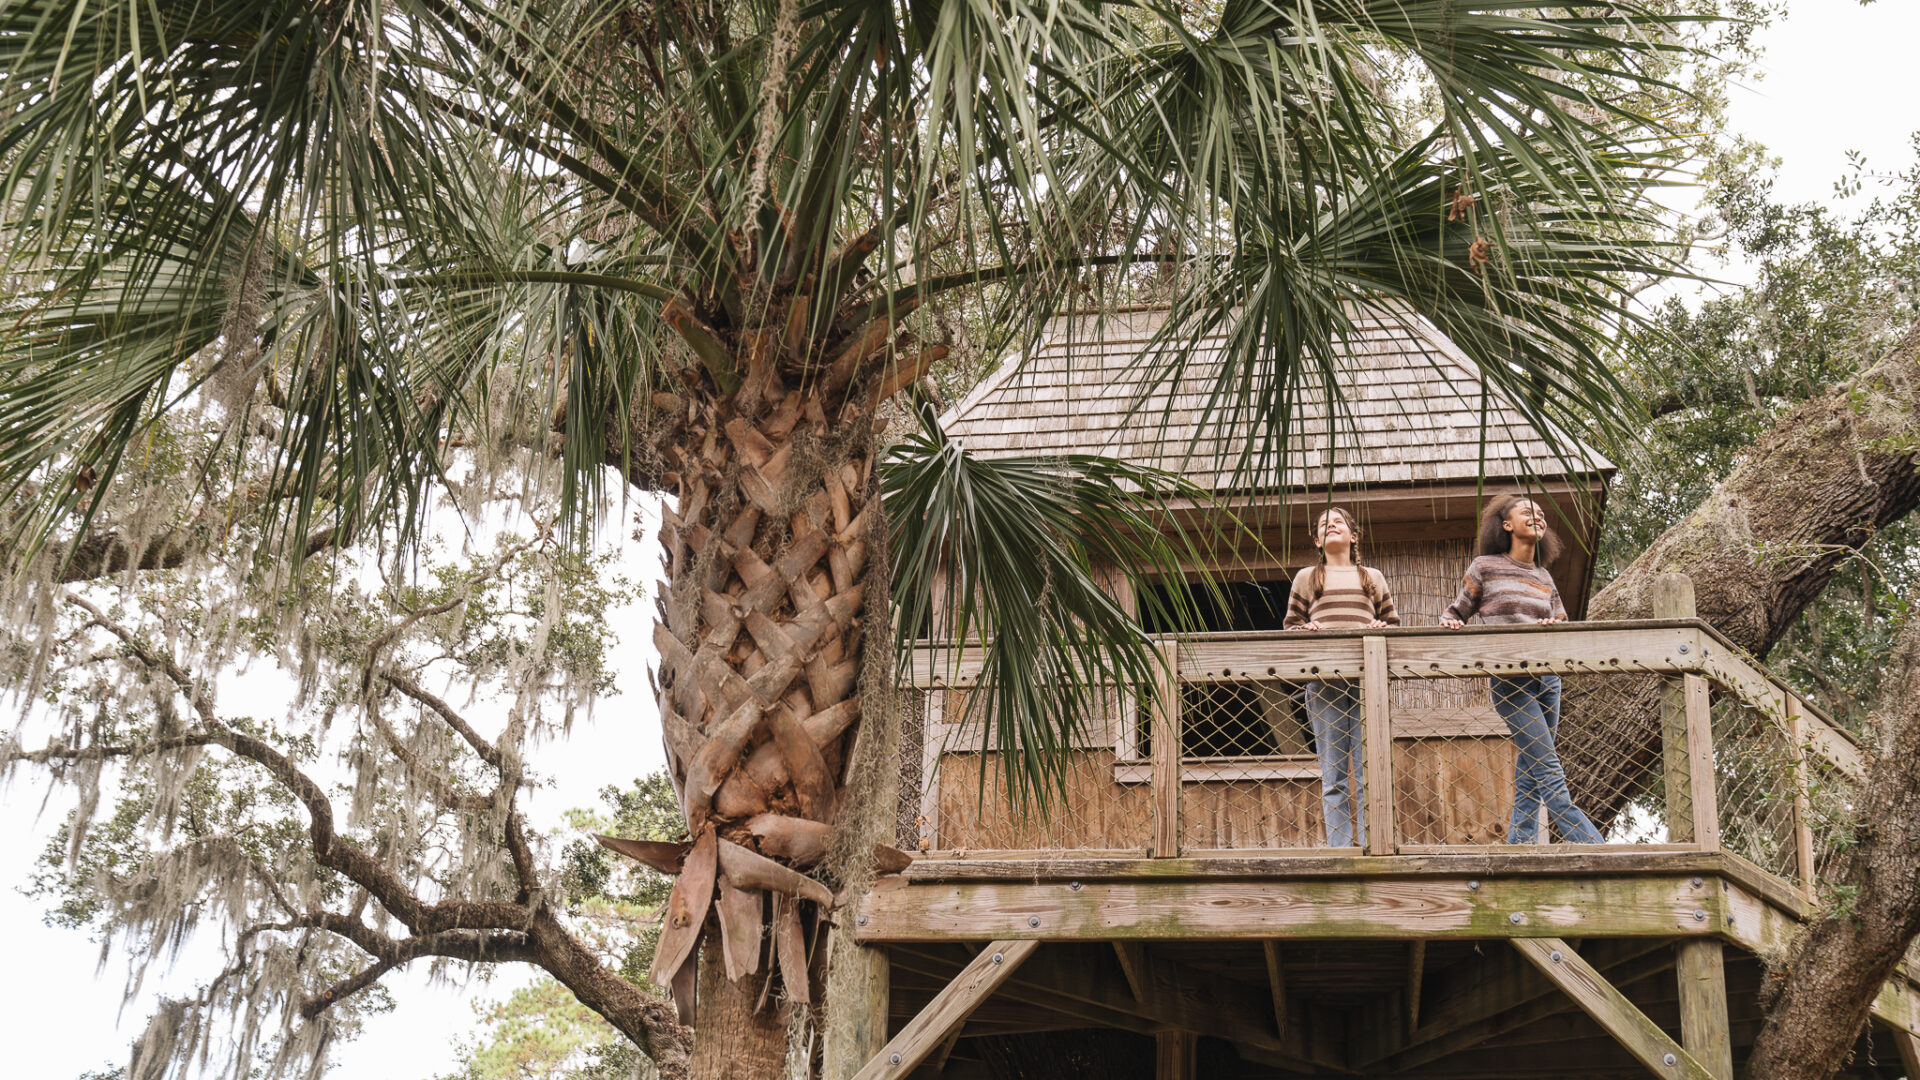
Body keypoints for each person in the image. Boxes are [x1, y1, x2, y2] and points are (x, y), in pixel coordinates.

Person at [1439, 495, 1603, 845]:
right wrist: (1451, 624)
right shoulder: (1484, 566)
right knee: (1548, 768)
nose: (1537, 517)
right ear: (1506, 524)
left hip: (1548, 680)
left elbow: (1561, 622)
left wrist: (1551, 624)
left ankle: (1520, 845)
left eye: (1541, 514)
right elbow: (1456, 612)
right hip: (1510, 681)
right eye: (1527, 511)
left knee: (1531, 769)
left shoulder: (1543, 576)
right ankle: (1589, 843)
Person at [1285, 507, 1400, 848]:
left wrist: (1381, 628)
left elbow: (1392, 624)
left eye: (1339, 522)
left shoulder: (1371, 577)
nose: (1331, 526)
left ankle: (1369, 844)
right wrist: (1305, 630)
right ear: (1318, 541)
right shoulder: (1308, 577)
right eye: (1324, 524)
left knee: (1367, 771)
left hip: (1367, 683)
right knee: (1334, 774)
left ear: (1352, 536)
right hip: (1324, 684)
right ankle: (1339, 847)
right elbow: (1290, 627)